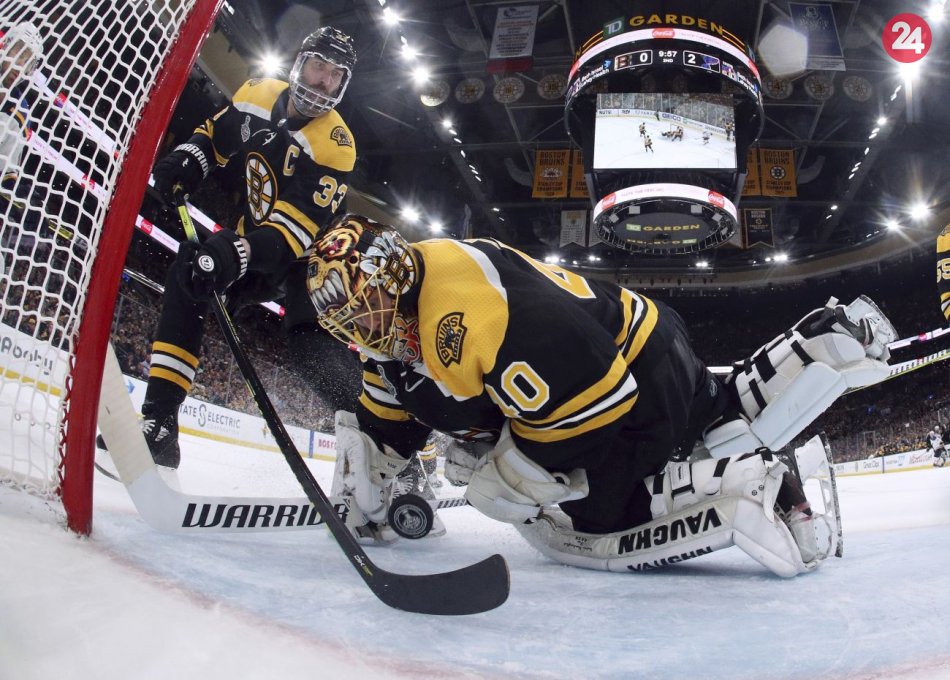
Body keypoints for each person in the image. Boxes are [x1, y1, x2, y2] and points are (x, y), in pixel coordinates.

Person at [304, 214, 896, 576]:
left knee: (594, 517)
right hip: (646, 337)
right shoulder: (418, 296)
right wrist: (365, 484)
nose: (363, 329)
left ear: (395, 277)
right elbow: (391, 411)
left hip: (620, 378)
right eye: (347, 321)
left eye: (367, 308)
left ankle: (756, 484)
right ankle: (825, 340)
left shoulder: (465, 316)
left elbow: (593, 399)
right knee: (713, 416)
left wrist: (509, 475)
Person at [138, 26, 362, 468]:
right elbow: (213, 138)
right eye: (319, 67)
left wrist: (235, 252)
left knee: (309, 344)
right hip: (254, 238)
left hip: (311, 265)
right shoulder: (256, 94)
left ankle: (390, 450)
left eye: (335, 75)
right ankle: (160, 422)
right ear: (299, 64)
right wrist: (188, 159)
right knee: (190, 275)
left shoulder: (337, 147)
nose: (323, 82)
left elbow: (290, 236)